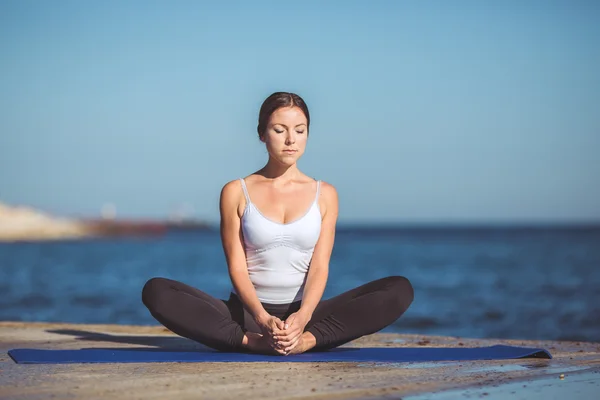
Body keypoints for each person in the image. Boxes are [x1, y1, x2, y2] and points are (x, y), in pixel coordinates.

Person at [142, 92, 414, 355]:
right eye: (279, 129)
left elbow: (319, 266)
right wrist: (261, 319)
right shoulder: (236, 191)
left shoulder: (325, 194)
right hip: (247, 317)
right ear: (262, 134)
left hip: (306, 316)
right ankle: (251, 343)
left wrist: (303, 317)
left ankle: (306, 342)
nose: (290, 140)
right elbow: (237, 266)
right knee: (157, 292)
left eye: (300, 130)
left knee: (400, 290)